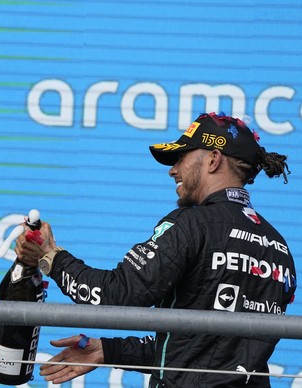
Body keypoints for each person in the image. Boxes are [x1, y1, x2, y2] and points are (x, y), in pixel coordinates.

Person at [15, 112, 296, 387]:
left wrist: (51, 257)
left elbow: (117, 294)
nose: (173, 169)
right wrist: (108, 351)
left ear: (213, 159)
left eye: (182, 157)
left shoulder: (192, 225)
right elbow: (204, 350)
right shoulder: (279, 247)